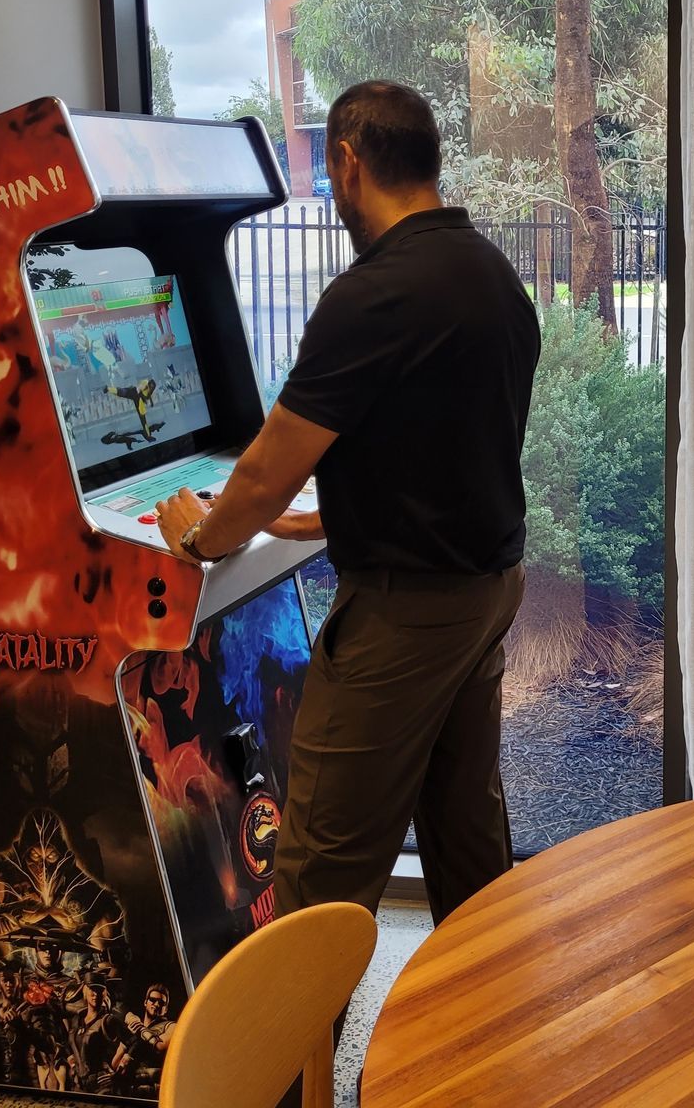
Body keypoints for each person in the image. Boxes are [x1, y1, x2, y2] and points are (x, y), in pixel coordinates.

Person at [154, 79, 540, 929]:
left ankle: (293, 1064)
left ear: (347, 160)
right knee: (465, 837)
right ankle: (483, 1048)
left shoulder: (374, 293)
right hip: (484, 593)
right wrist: (336, 515)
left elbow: (261, 476)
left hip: (408, 615)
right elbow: (450, 446)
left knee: (318, 870)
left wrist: (198, 536)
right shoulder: (489, 274)